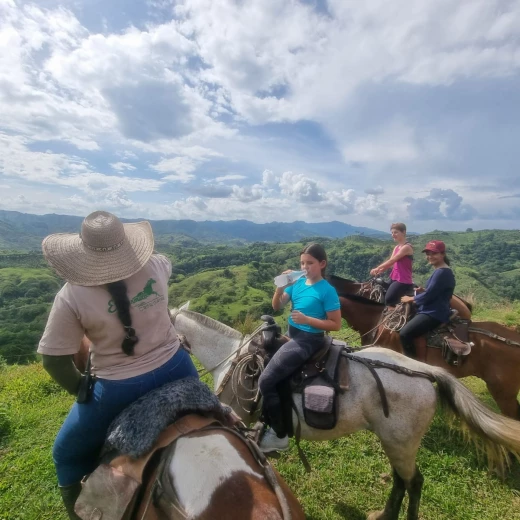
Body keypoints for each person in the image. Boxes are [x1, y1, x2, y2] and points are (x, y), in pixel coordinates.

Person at [37, 211, 198, 519]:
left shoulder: (71, 294)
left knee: (66, 456)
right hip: (177, 367)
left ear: (83, 250)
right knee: (216, 410)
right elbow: (161, 263)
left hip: (116, 389)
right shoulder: (157, 266)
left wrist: (82, 390)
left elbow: (54, 361)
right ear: (126, 243)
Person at [259, 243, 341, 452]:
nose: (305, 267)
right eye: (302, 263)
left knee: (266, 381)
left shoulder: (327, 291)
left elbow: (335, 324)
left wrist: (307, 319)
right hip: (292, 335)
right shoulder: (297, 283)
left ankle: (280, 435)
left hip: (308, 340)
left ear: (322, 264)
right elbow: (277, 306)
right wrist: (280, 285)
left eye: (310, 263)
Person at [399, 240, 455, 359]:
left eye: (434, 253)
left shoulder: (441, 273)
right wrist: (423, 291)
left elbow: (429, 296)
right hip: (433, 307)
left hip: (434, 312)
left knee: (405, 333)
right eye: (428, 254)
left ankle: (412, 365)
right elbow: (435, 292)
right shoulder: (440, 271)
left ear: (442, 254)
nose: (430, 257)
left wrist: (411, 298)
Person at [370, 222, 414, 306]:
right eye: (392, 233)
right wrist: (380, 271)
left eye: (396, 232)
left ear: (404, 232)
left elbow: (393, 260)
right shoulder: (397, 247)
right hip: (394, 277)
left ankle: (392, 317)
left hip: (403, 280)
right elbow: (391, 263)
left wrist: (377, 268)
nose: (393, 235)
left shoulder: (407, 247)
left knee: (388, 299)